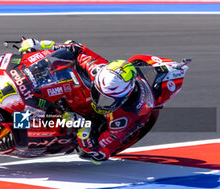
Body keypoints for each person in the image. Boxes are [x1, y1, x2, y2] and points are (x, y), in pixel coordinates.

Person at [19, 38, 151, 163]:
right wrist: (39, 45)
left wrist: (84, 132)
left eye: (106, 99)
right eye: (98, 93)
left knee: (83, 152)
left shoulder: (123, 117)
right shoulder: (95, 67)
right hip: (72, 97)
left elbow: (101, 153)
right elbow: (74, 47)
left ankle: (19, 126)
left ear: (123, 98)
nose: (99, 101)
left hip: (87, 121)